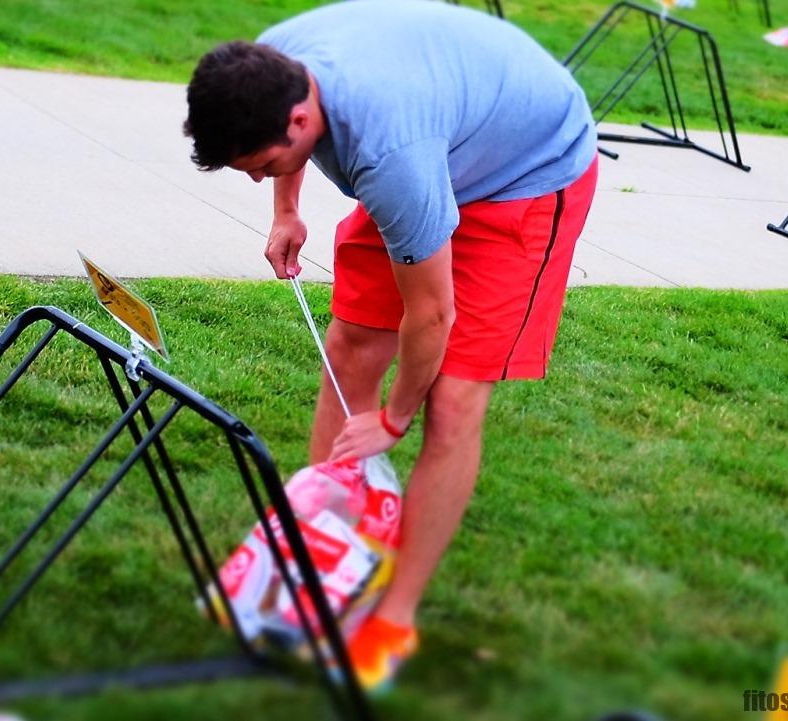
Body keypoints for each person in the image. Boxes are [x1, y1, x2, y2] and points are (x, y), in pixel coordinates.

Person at [183, 0, 598, 692]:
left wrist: (394, 418)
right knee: (348, 347)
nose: (257, 176)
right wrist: (285, 210)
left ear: (299, 121)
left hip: (528, 173)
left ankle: (393, 616)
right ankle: (328, 558)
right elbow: (285, 145)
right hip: (444, 141)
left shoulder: (389, 153)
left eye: (262, 166)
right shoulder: (274, 64)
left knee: (456, 398)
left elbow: (431, 313)